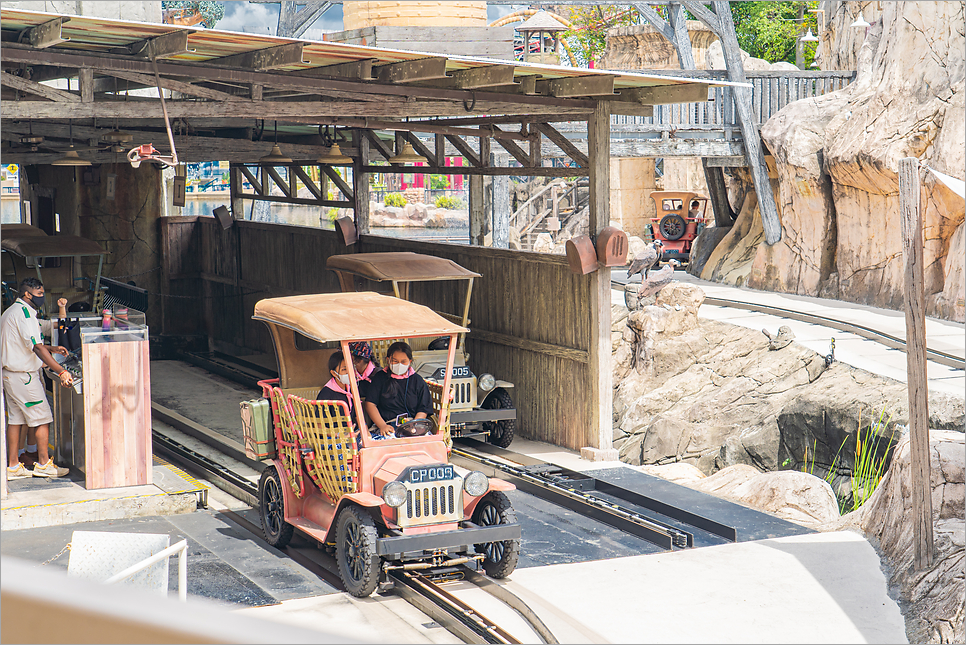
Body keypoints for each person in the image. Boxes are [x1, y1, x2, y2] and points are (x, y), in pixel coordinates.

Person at [2, 278, 72, 479]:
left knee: (16, 420)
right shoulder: (25, 315)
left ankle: (13, 466)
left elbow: (22, 343)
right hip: (24, 376)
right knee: (42, 418)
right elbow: (36, 347)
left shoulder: (11, 312)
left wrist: (51, 348)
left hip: (11, 375)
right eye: (39, 294)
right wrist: (61, 371)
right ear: (27, 294)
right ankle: (43, 464)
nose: (42, 297)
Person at [365, 341, 434, 439]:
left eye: (403, 361)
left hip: (413, 425)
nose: (399, 365)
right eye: (395, 361)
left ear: (410, 361)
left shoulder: (417, 380)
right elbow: (370, 404)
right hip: (388, 425)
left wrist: (414, 425)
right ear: (388, 360)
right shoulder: (380, 378)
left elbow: (423, 409)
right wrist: (382, 425)